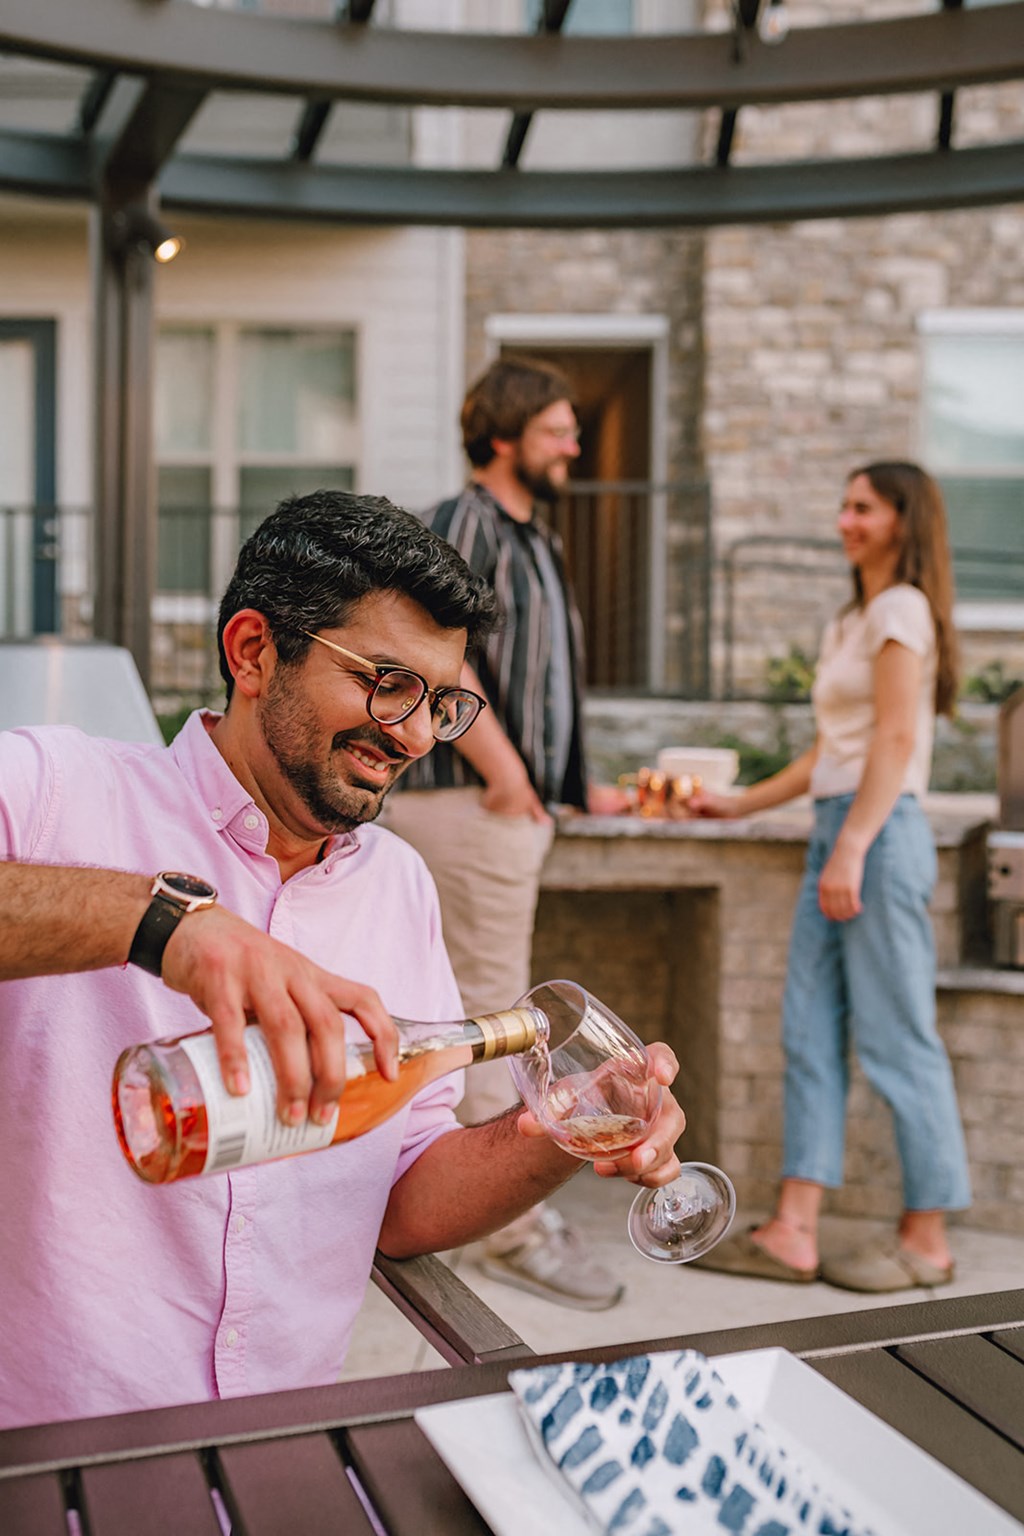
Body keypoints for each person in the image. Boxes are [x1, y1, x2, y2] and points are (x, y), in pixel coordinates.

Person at [0, 490, 687, 1430]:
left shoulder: (400, 884)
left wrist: (555, 1133)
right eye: (385, 681)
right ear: (253, 653)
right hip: (48, 1446)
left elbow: (402, 1201)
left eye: (439, 702)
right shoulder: (53, 794)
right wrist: (164, 926)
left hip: (283, 1448)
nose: (410, 735)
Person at [384, 356, 628, 1312]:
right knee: (495, 1012)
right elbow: (438, 658)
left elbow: (544, 681)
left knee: (478, 1005)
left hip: (509, 808)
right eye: (560, 428)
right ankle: (508, 1230)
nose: (575, 443)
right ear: (504, 434)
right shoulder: (466, 522)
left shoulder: (537, 539)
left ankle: (456, 1202)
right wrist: (512, 776)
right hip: (471, 806)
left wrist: (574, 782)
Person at [691, 461, 971, 1293]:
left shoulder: (901, 609)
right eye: (843, 504)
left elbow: (892, 743)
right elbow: (830, 750)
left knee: (895, 1037)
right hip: (836, 828)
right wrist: (740, 806)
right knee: (806, 1030)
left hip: (878, 836)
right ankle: (794, 1230)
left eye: (862, 507)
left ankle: (928, 1240)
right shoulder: (853, 617)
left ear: (902, 521)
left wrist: (851, 846)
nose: (843, 520)